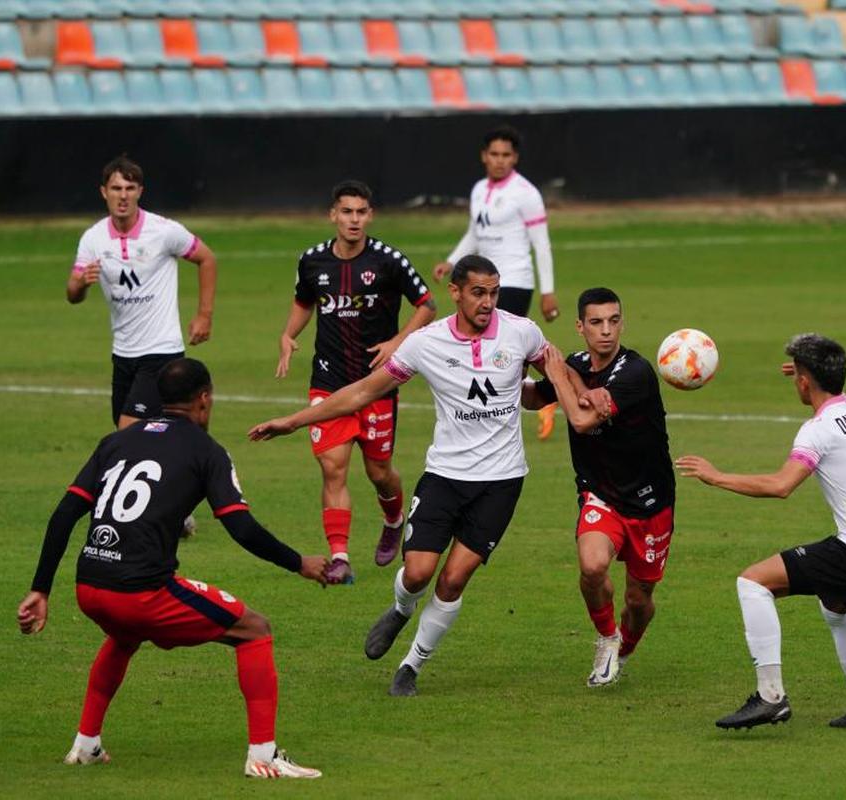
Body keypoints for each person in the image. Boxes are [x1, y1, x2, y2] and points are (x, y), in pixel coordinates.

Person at [250, 255, 549, 697]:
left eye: (494, 292)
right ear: (457, 293)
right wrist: (295, 420)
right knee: (418, 572)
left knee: (452, 580)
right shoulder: (425, 344)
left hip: (502, 481)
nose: (487, 303)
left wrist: (585, 398)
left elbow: (555, 375)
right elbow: (363, 391)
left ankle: (411, 666)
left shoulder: (521, 332)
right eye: (478, 293)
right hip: (445, 475)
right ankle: (399, 609)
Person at [16, 358, 328, 779]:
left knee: (124, 637)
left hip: (89, 585)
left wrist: (41, 589)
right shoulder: (207, 451)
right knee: (255, 629)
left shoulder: (116, 441)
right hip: (142, 593)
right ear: (204, 399)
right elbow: (240, 527)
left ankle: (86, 744)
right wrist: (300, 563)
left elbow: (64, 512)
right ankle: (264, 756)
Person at [676, 334, 846, 731]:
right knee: (835, 608)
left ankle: (771, 698)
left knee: (753, 582)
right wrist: (809, 373)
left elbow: (781, 485)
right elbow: (828, 385)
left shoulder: (817, 431)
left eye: (799, 376)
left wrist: (717, 477)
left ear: (805, 382)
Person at [276, 180, 436, 585]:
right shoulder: (312, 261)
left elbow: (427, 306)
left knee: (379, 472)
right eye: (346, 212)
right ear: (333, 215)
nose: (353, 219)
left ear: (370, 215)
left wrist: (397, 343)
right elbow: (304, 301)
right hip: (328, 380)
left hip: (377, 382)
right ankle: (341, 555)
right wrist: (288, 334)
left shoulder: (387, 260)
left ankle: (394, 517)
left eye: (361, 212)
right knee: (333, 467)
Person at [522, 288, 675, 687]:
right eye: (596, 322)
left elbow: (582, 421)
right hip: (600, 493)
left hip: (650, 502)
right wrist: (499, 370)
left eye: (613, 321)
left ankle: (625, 644)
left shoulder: (635, 372)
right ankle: (607, 638)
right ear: (581, 326)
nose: (606, 331)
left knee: (639, 602)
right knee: (592, 567)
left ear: (622, 323)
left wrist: (558, 375)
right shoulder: (573, 364)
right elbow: (533, 399)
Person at [68, 155, 218, 431]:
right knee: (145, 430)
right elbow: (72, 293)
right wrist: (81, 284)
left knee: (129, 430)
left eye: (129, 188)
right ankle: (190, 464)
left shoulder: (163, 231)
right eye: (116, 189)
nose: (123, 196)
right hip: (123, 353)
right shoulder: (93, 238)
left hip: (161, 351)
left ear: (140, 192)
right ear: (104, 192)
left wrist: (204, 315)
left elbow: (206, 258)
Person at [431, 125, 561, 441]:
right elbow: (476, 232)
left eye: (506, 155)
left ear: (514, 158)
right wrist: (452, 260)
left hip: (514, 281)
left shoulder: (526, 193)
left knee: (506, 353)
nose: (500, 160)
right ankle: (533, 400)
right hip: (481, 283)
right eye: (494, 154)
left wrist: (548, 292)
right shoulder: (478, 190)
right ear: (484, 156)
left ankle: (531, 403)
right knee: (487, 351)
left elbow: (541, 244)